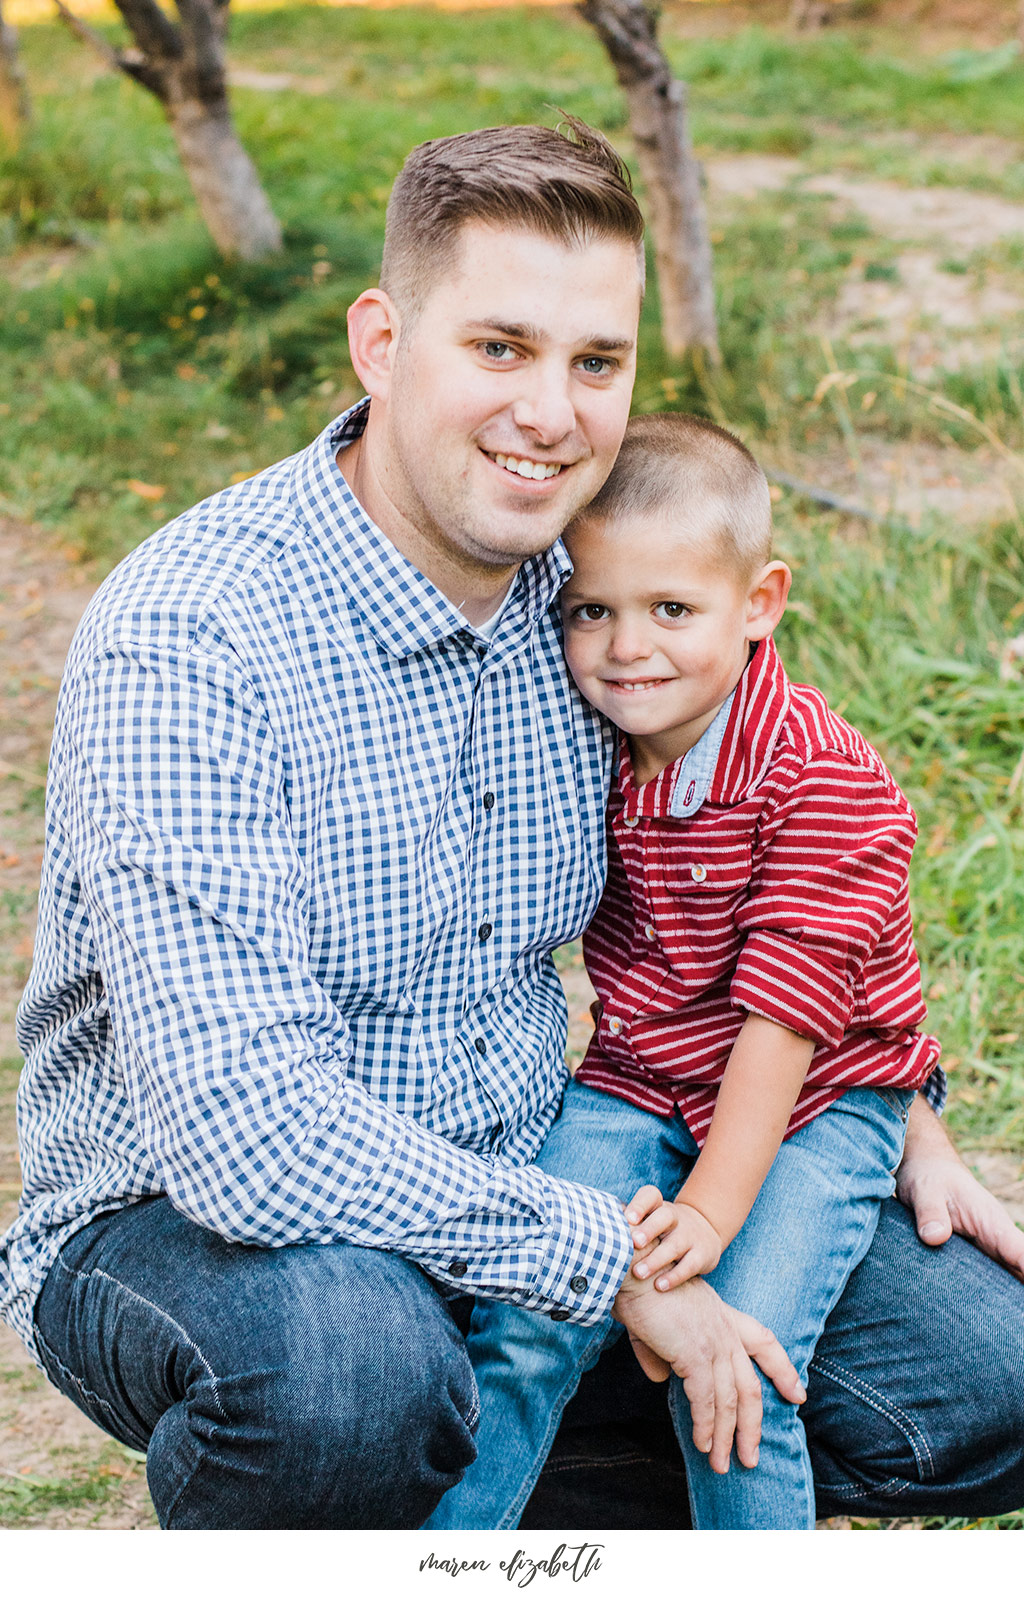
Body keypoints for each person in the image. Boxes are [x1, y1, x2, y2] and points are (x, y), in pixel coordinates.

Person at [0, 120, 1022, 1532]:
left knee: (988, 1367)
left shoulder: (597, 610)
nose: (552, 412)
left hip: (533, 1161)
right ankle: (383, 1470)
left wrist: (900, 1109)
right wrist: (616, 1262)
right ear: (381, 339)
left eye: (595, 363)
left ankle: (503, 1507)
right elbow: (243, 1138)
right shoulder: (195, 636)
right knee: (349, 1380)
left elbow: (795, 839)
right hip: (190, 1226)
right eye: (500, 348)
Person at [425, 411, 941, 1530]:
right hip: (639, 1073)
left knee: (738, 1347)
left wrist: (707, 1212)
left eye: (671, 610)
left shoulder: (821, 777)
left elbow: (784, 1026)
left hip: (816, 1097)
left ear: (757, 604)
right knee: (524, 1308)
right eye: (590, 612)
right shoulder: (590, 738)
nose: (626, 648)